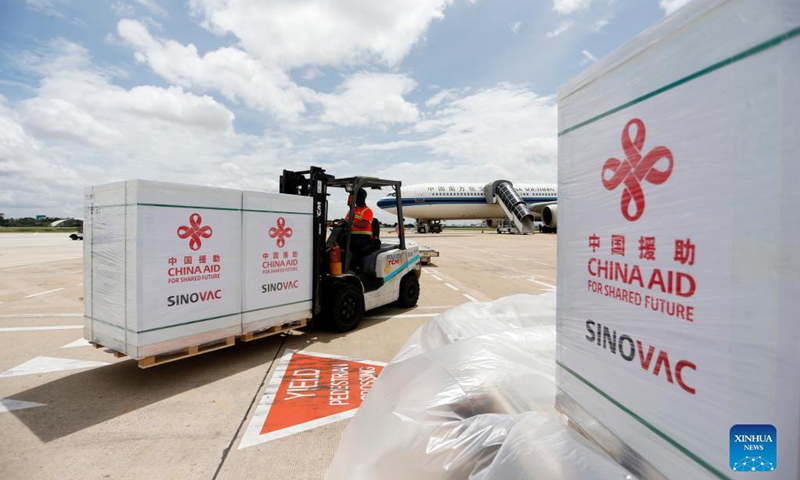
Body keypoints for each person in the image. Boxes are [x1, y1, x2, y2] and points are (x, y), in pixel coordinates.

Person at [345, 188, 374, 263]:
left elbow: (364, 225)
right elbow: (346, 221)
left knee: (352, 247)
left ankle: (354, 265)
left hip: (362, 237)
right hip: (351, 235)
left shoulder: (367, 210)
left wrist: (351, 222)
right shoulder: (352, 210)